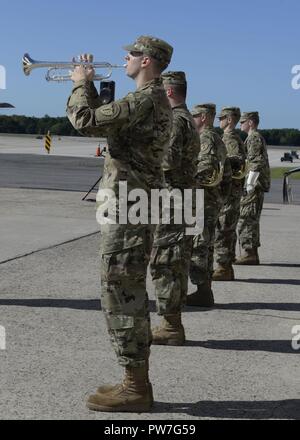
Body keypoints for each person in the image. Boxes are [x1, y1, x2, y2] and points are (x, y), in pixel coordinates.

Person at [66, 35, 173, 412]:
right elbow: (106, 128)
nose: (125, 58)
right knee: (128, 293)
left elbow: (85, 121)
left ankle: (135, 387)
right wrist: (90, 86)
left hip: (129, 208)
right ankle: (134, 381)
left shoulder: (143, 99)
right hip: (133, 204)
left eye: (132, 54)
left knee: (120, 295)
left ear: (147, 61)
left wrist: (81, 82)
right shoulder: (151, 100)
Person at [150, 71, 200, 346]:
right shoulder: (188, 119)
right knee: (178, 260)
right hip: (187, 198)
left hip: (174, 200)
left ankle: (170, 325)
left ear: (168, 92)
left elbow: (166, 162)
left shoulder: (176, 120)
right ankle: (173, 322)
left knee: (165, 261)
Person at [187, 104, 231, 307]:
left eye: (194, 115)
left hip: (203, 200)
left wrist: (182, 178)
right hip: (206, 199)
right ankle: (204, 290)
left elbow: (204, 169)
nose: (192, 118)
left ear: (204, 117)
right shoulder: (213, 138)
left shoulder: (207, 138)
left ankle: (202, 291)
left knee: (199, 246)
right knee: (204, 245)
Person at [213, 107, 246, 281]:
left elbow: (236, 162)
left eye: (223, 118)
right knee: (226, 229)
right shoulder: (231, 137)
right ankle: (225, 266)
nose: (220, 121)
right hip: (231, 191)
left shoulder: (230, 138)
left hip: (229, 192)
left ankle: (223, 267)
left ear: (230, 120)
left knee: (223, 229)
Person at [235, 111, 270, 265]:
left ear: (250, 122)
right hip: (256, 185)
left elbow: (255, 162)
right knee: (251, 219)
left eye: (242, 121)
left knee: (247, 218)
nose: (240, 124)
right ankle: (251, 253)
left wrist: (249, 185)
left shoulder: (253, 137)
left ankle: (249, 253)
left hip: (253, 186)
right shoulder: (254, 137)